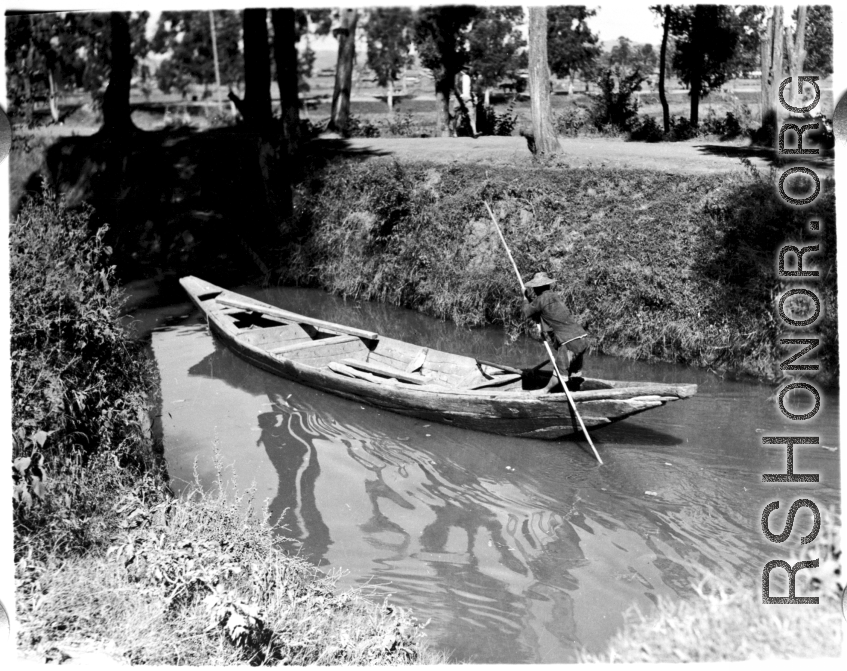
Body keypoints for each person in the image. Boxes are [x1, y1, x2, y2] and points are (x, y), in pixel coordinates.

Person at [521, 271, 589, 393]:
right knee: (574, 372)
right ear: (548, 286)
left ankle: (544, 391)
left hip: (569, 341)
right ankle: (574, 390)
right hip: (582, 338)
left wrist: (525, 298)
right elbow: (543, 312)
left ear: (536, 289)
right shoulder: (554, 296)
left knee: (560, 373)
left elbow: (527, 312)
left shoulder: (540, 299)